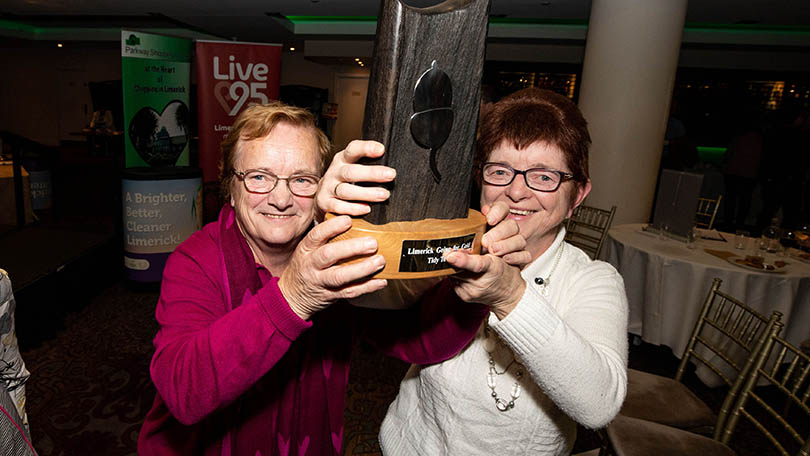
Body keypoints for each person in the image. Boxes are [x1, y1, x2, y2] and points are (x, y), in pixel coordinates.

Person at [137, 102, 525, 455]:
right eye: (259, 177)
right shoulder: (195, 260)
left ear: (324, 188)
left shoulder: (341, 255)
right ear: (230, 188)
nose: (281, 198)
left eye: (302, 180)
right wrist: (294, 296)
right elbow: (183, 391)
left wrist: (472, 286)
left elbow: (419, 341)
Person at [320, 88, 629, 455]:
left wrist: (509, 295)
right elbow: (379, 323)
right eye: (500, 171)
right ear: (479, 179)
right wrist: (331, 216)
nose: (516, 191)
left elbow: (598, 404)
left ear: (577, 195)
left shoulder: (593, 280)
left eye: (544, 177)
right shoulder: (450, 246)